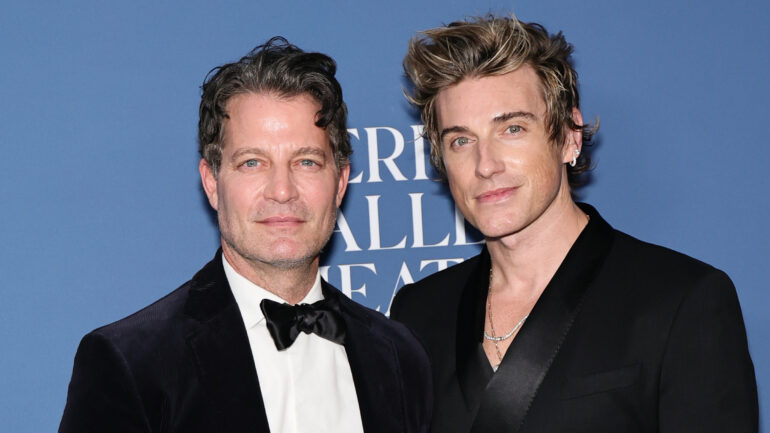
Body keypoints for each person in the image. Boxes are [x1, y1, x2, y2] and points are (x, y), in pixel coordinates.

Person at [390, 15, 757, 433]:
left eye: (512, 129)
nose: (485, 165)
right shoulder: (419, 311)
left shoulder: (681, 301)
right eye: (461, 140)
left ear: (569, 137)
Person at [59, 37, 431, 433]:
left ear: (340, 183)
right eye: (252, 162)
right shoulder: (133, 362)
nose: (282, 190)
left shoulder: (398, 355)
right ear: (212, 183)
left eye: (306, 162)